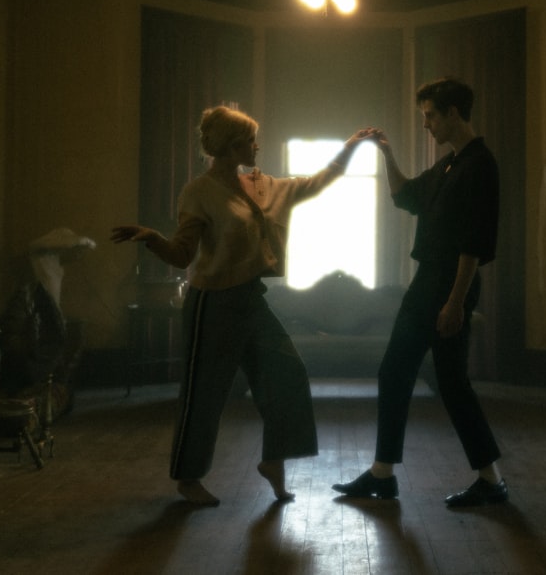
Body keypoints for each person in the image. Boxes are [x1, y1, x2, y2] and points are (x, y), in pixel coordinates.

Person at [112, 105, 374, 506]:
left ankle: (273, 461)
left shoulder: (266, 186)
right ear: (233, 146)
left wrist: (351, 147)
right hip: (211, 305)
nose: (257, 146)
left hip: (251, 301)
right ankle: (188, 478)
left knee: (288, 374)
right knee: (206, 394)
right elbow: (183, 255)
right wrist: (151, 237)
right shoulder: (199, 192)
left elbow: (320, 181)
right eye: (251, 140)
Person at [332, 77, 506, 508]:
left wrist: (454, 301)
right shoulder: (449, 165)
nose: (426, 124)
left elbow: (474, 243)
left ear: (452, 113)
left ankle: (393, 474)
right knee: (431, 378)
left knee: (422, 376)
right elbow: (405, 197)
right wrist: (387, 154)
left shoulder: (479, 165)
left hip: (445, 285)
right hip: (429, 282)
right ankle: (399, 473)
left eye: (430, 115)